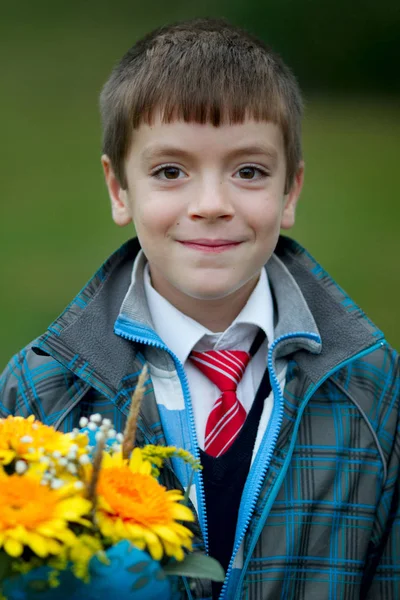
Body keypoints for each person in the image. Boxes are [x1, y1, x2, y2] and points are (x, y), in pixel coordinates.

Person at [1, 17, 399, 600]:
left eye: (249, 172)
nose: (211, 204)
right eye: (170, 172)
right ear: (119, 189)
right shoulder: (41, 396)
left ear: (290, 192)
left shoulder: (373, 387)